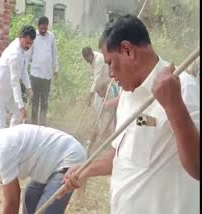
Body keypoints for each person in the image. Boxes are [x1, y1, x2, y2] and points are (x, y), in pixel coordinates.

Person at [61, 14, 199, 214]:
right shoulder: (127, 95)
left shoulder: (182, 87)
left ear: (127, 51)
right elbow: (123, 156)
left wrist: (174, 106)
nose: (109, 74)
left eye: (110, 63)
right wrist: (86, 170)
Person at [0, 124, 86, 214]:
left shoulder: (4, 149)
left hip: (68, 158)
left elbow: (12, 200)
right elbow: (14, 192)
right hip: (49, 164)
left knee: (47, 210)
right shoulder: (0, 143)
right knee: (30, 198)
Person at [0, 25, 35, 130]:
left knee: (18, 114)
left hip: (7, 90)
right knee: (0, 124)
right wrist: (21, 106)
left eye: (31, 43)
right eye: (27, 42)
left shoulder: (23, 48)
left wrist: (29, 87)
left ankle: (12, 138)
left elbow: (23, 70)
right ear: (21, 37)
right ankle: (1, 145)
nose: (29, 46)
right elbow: (15, 82)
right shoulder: (15, 54)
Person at [29, 16, 59, 126]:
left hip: (47, 75)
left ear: (47, 26)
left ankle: (42, 124)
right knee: (35, 101)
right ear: (38, 26)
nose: (44, 29)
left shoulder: (51, 37)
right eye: (42, 27)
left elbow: (54, 54)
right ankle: (33, 124)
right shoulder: (33, 36)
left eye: (45, 27)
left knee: (45, 102)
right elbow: (28, 53)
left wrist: (56, 68)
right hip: (35, 74)